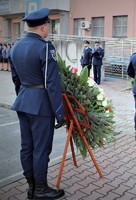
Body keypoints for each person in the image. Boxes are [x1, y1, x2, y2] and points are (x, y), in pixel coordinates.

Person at [9, 8, 65, 199]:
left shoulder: (16, 47)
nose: (48, 27)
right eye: (48, 25)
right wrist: (59, 111)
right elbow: (52, 82)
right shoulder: (45, 47)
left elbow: (15, 78)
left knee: (27, 146)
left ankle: (31, 186)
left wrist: (24, 97)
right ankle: (40, 189)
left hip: (23, 100)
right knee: (41, 148)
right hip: (41, 105)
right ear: (43, 26)